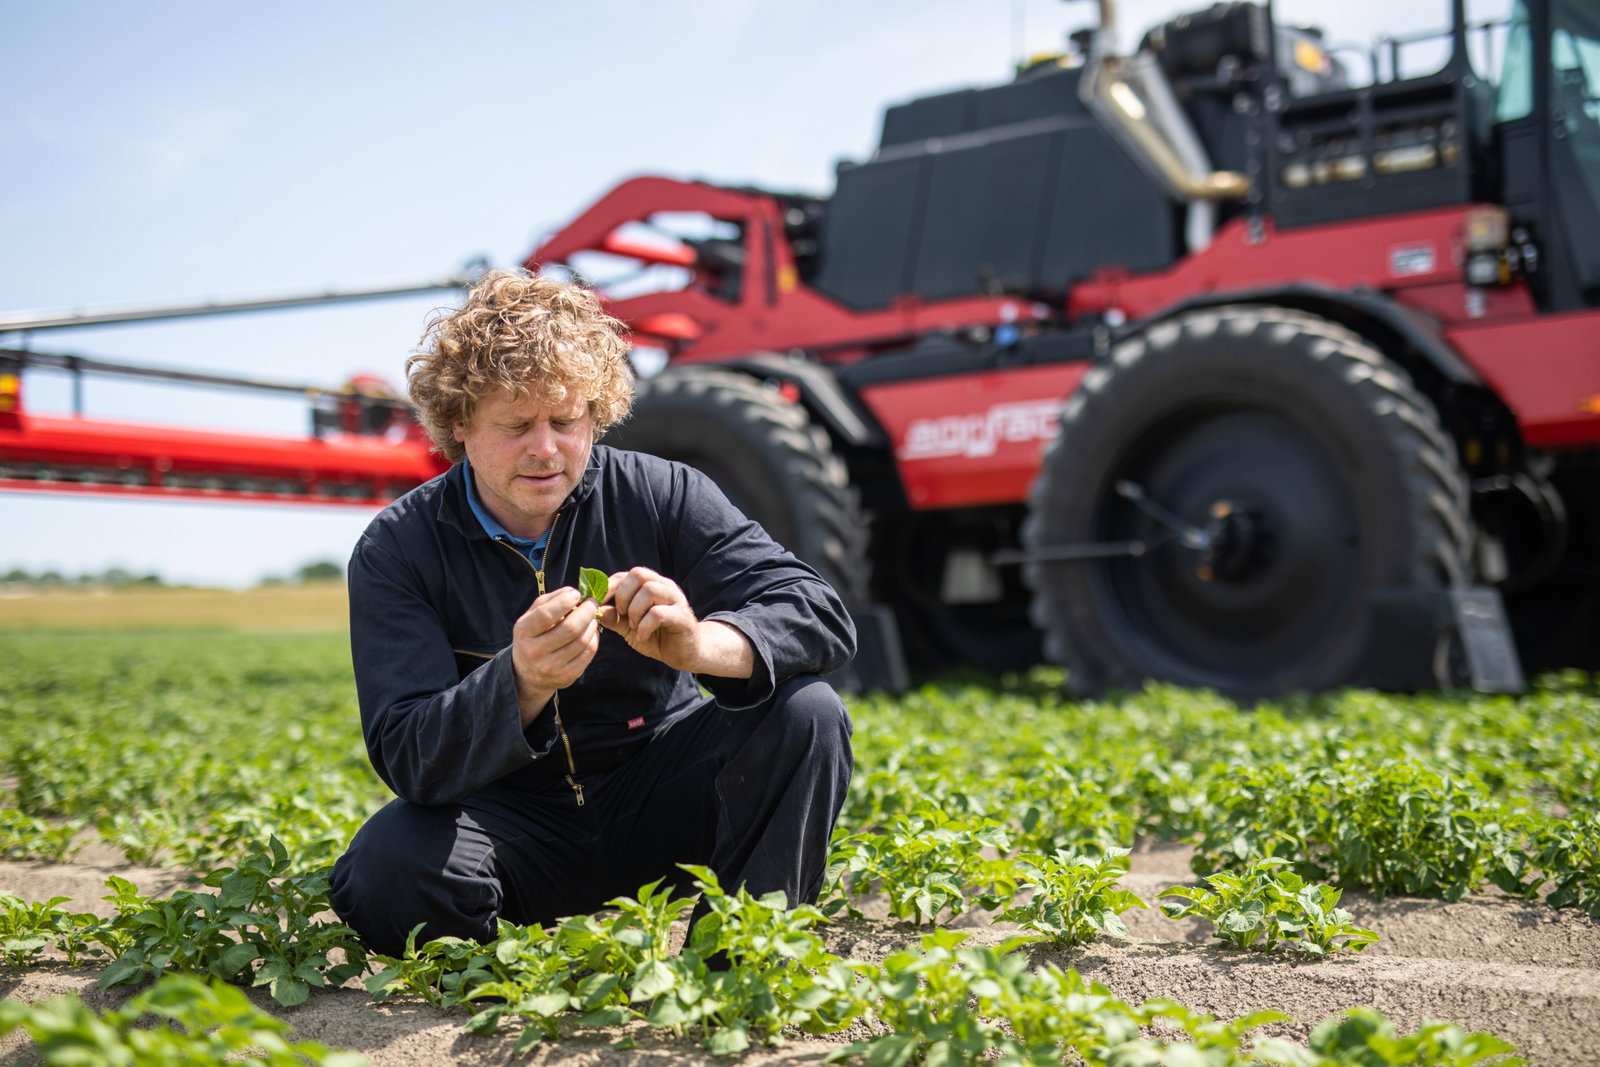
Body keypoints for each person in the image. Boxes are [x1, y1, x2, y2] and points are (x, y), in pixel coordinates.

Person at [328, 270, 856, 957]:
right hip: (511, 823)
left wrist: (700, 643)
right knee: (387, 866)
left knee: (807, 713)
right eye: (516, 425)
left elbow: (817, 611)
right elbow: (408, 752)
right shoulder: (399, 547)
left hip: (659, 800)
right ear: (459, 424)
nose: (545, 448)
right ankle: (514, 964)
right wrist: (520, 681)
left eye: (566, 420)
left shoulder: (660, 493)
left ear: (595, 412)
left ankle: (733, 959)